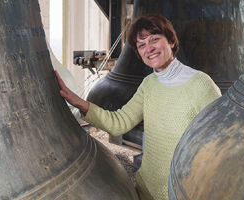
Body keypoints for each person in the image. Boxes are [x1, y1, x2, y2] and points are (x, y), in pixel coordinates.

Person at [55, 14, 221, 200]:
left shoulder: (200, 84)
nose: (149, 48)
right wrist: (78, 102)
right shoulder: (149, 84)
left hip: (182, 192)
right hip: (146, 190)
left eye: (154, 40)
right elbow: (119, 123)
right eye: (141, 45)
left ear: (171, 42)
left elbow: (219, 145)